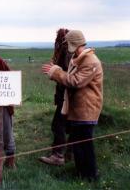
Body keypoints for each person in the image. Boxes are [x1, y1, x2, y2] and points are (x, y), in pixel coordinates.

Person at [41, 30, 103, 181]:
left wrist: (56, 72)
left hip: (87, 109)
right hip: (79, 109)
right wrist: (57, 72)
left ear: (73, 43)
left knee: (85, 145)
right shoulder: (79, 58)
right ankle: (81, 173)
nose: (66, 46)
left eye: (67, 43)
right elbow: (71, 77)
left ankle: (91, 176)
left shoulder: (90, 61)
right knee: (78, 144)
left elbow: (76, 81)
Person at [39, 28, 73, 166]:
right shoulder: (69, 52)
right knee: (69, 125)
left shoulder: (67, 52)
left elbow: (68, 77)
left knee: (57, 125)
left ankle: (58, 155)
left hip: (67, 96)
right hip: (67, 96)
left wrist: (54, 72)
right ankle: (70, 154)